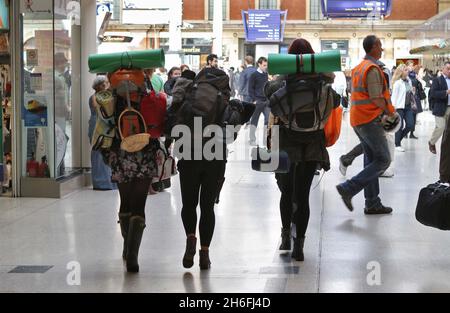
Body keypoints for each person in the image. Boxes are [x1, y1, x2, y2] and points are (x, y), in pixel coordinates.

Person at [266, 38, 336, 261]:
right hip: (312, 143)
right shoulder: (323, 81)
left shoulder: (284, 80)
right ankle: (300, 246)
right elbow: (335, 101)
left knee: (286, 192)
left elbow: (268, 93)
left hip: (285, 141)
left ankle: (285, 236)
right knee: (303, 195)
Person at [173, 62, 231, 270]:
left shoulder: (189, 90)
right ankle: (205, 254)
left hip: (188, 153)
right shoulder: (224, 98)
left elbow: (173, 118)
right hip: (214, 156)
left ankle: (190, 239)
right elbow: (232, 130)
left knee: (189, 204)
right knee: (207, 207)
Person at [102, 70, 159, 273]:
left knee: (125, 201)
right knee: (139, 204)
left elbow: (103, 127)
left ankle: (127, 249)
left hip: (121, 153)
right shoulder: (147, 93)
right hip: (145, 153)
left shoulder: (111, 96)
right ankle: (133, 255)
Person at [336, 35, 396, 215]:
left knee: (371, 159)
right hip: (370, 119)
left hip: (358, 118)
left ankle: (372, 203)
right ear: (374, 47)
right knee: (384, 159)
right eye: (380, 45)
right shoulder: (372, 68)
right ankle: (348, 188)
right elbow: (377, 97)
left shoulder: (358, 67)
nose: (382, 49)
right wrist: (390, 112)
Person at [88, 76, 116, 191]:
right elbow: (96, 107)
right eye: (103, 84)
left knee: (106, 151)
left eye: (106, 83)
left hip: (104, 125)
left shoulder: (106, 96)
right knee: (98, 152)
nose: (105, 85)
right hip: (96, 125)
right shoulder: (94, 97)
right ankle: (101, 182)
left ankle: (109, 181)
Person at [392, 64, 415, 152]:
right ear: (401, 72)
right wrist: (393, 109)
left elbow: (410, 93)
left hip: (408, 106)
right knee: (399, 126)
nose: (407, 71)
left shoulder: (409, 81)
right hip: (399, 107)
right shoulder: (397, 83)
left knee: (410, 125)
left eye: (407, 70)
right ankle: (397, 144)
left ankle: (397, 140)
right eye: (405, 70)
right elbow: (394, 97)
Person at [428, 61, 450, 155]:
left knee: (447, 130)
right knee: (441, 127)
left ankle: (446, 147)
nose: (449, 71)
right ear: (443, 69)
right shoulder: (437, 80)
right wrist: (446, 92)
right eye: (448, 68)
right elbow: (433, 94)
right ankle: (431, 142)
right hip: (440, 107)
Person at [248, 57, 270, 146]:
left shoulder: (267, 75)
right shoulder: (254, 75)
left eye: (266, 65)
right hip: (258, 101)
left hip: (266, 102)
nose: (266, 67)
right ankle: (252, 139)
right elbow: (250, 89)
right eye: (264, 65)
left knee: (268, 120)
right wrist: (254, 100)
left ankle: (266, 140)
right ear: (259, 64)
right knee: (254, 121)